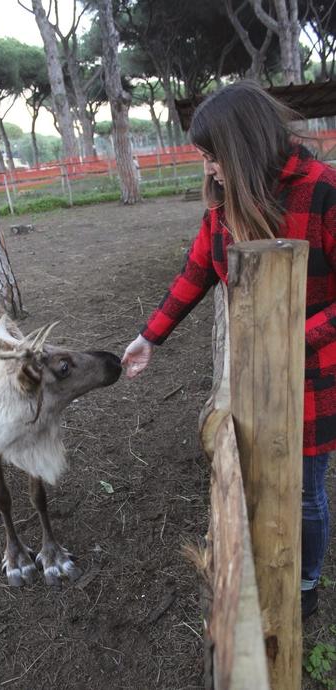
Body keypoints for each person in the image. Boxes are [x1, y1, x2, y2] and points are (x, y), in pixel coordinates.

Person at [121, 80, 336, 621]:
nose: (209, 168)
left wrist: (293, 338)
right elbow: (196, 271)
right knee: (256, 467)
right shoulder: (224, 201)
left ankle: (306, 580)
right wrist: (150, 336)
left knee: (306, 484)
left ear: (241, 147)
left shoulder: (325, 192)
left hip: (314, 373)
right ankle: (268, 556)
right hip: (252, 370)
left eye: (213, 156)